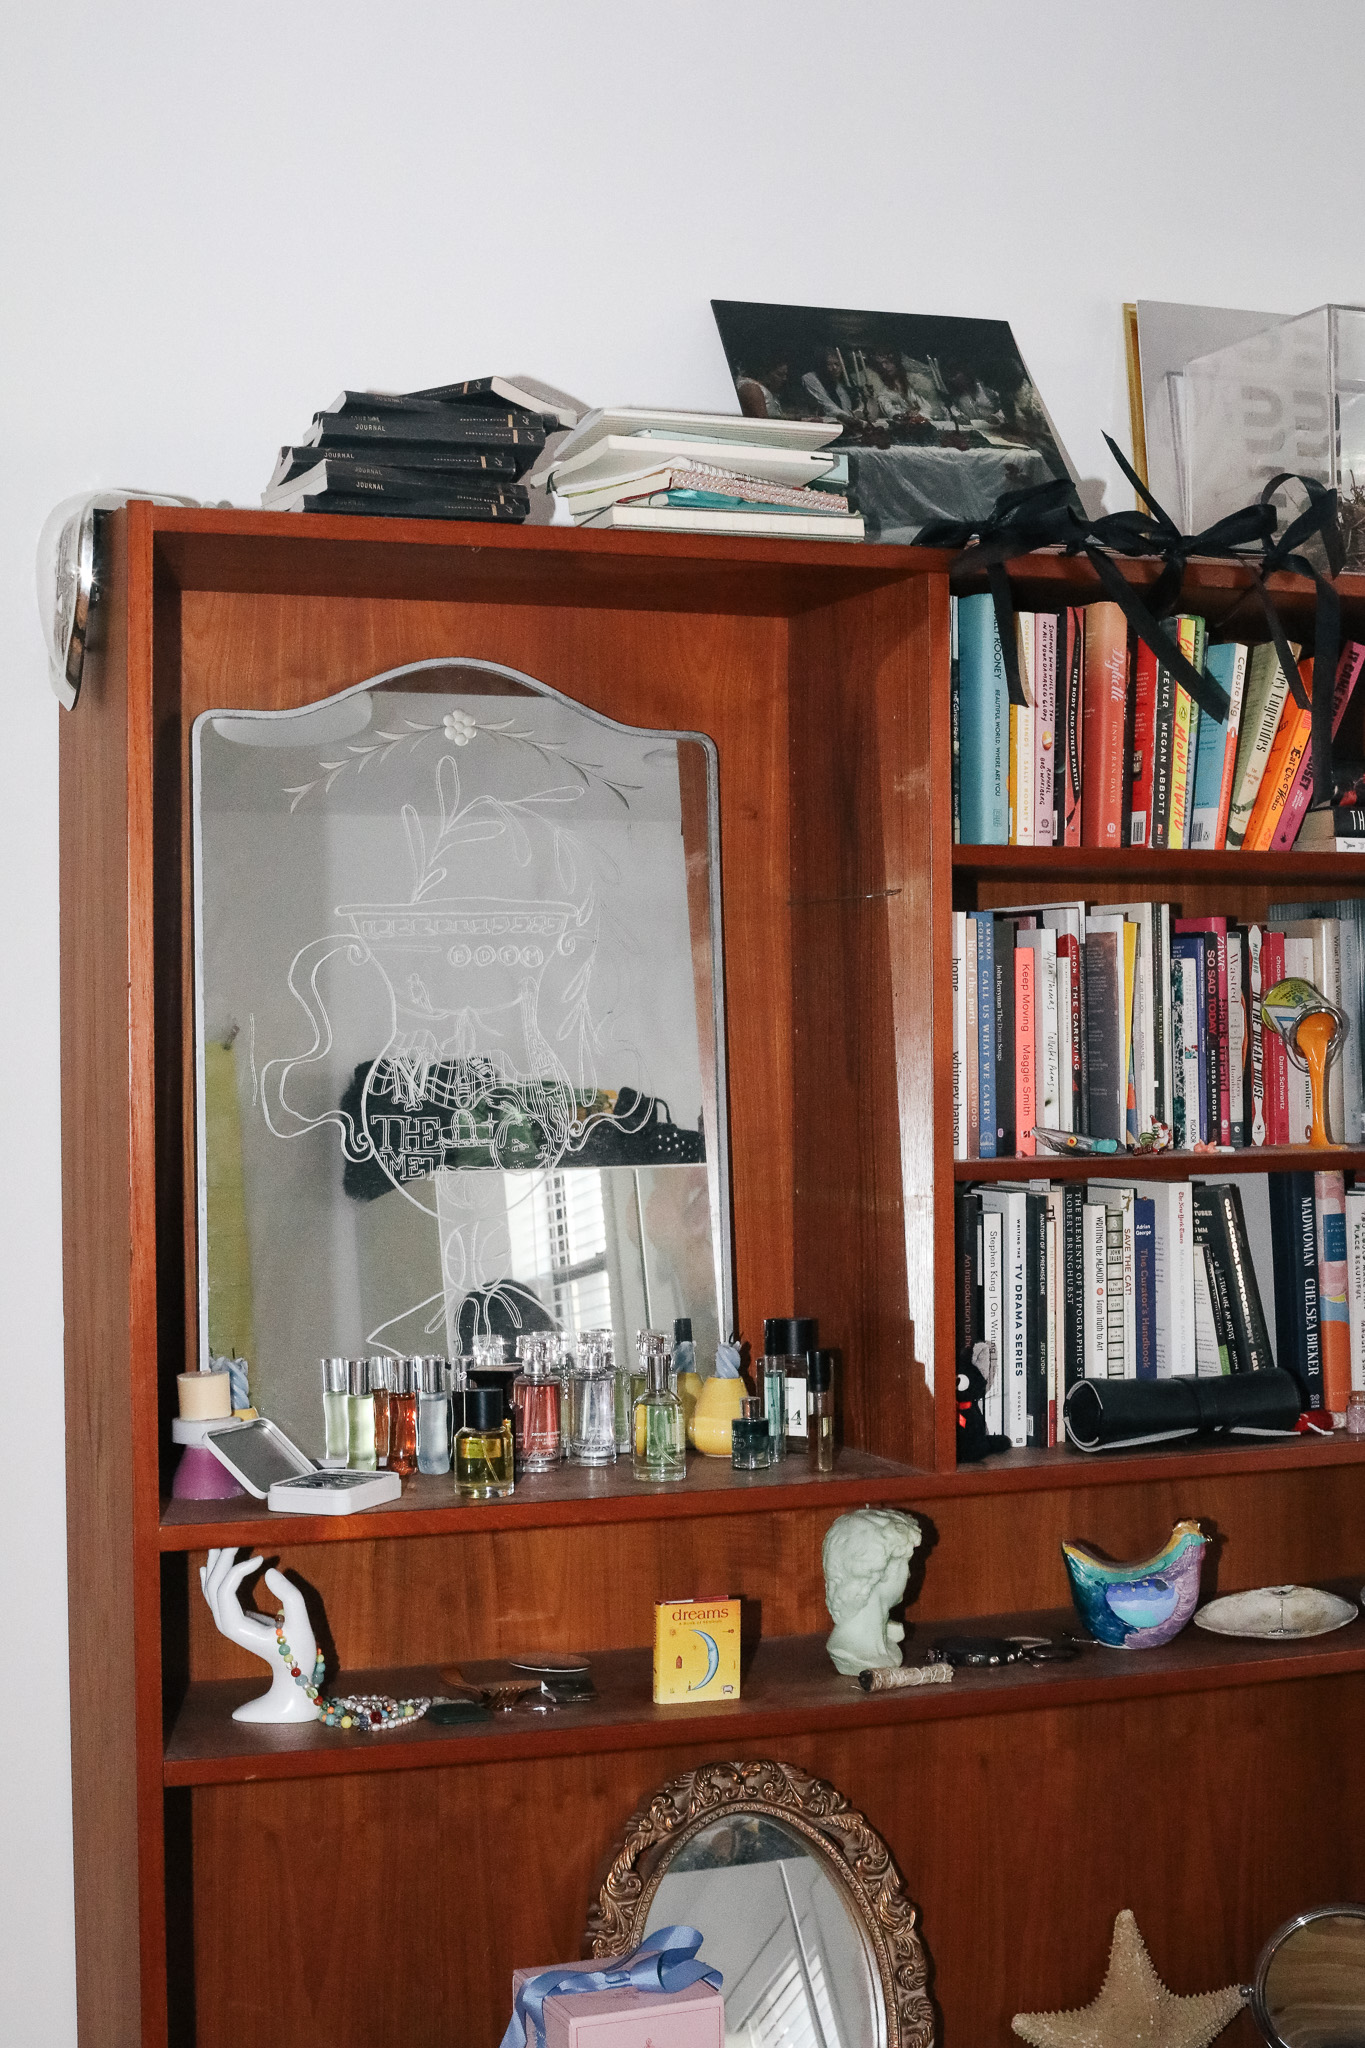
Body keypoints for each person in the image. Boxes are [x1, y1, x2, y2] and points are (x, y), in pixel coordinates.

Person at [800, 346, 861, 426]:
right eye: (829, 364)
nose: (834, 368)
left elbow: (852, 408)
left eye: (837, 364)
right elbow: (825, 403)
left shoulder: (845, 383)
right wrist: (845, 417)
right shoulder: (811, 378)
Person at [735, 354, 792, 419]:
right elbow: (762, 422)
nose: (784, 379)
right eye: (780, 374)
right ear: (765, 373)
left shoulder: (766, 391)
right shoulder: (752, 389)